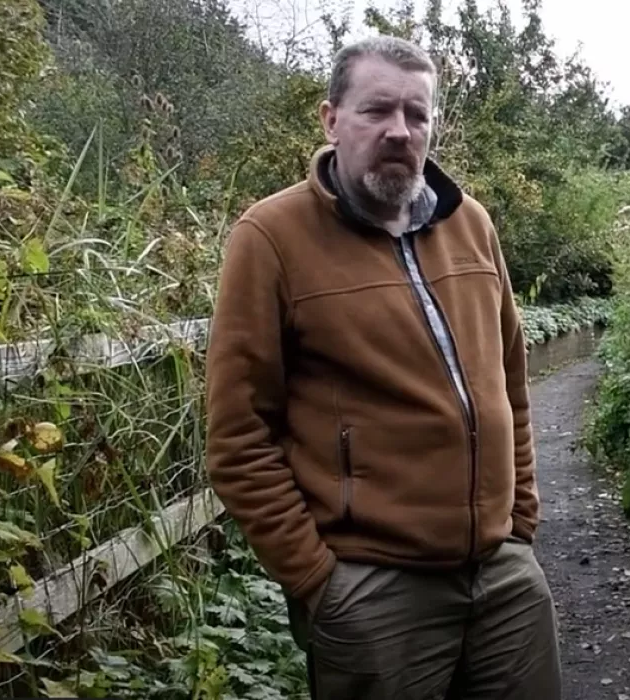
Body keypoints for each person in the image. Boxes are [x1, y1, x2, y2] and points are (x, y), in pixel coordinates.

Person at [203, 36, 560, 700]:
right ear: (331, 118)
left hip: (502, 573)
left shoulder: (471, 224)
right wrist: (318, 581)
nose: (399, 131)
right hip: (373, 587)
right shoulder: (272, 237)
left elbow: (509, 382)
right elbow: (237, 435)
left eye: (416, 115)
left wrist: (521, 522)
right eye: (376, 111)